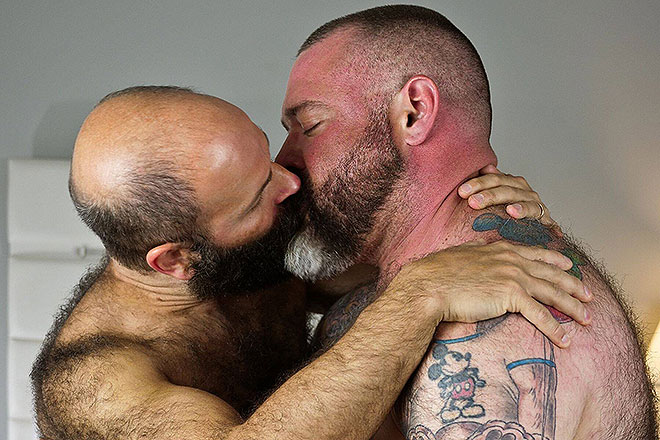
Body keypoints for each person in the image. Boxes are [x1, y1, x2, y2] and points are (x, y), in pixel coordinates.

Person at [30, 87, 591, 440]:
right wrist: (420, 295)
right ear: (176, 259)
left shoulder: (236, 256)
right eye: (259, 194)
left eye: (264, 152)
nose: (290, 182)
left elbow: (371, 266)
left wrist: (485, 211)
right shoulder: (97, 385)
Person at [275, 5, 658, 439]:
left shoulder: (510, 321)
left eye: (310, 125)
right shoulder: (376, 299)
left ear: (414, 112)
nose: (284, 163)